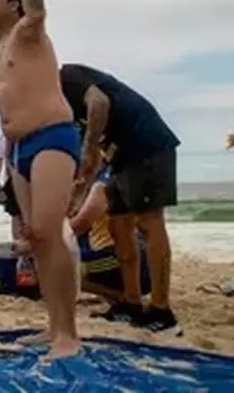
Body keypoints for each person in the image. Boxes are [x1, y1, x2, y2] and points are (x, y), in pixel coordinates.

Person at [0, 0, 80, 359]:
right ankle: (52, 325)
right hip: (19, 149)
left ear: (14, 5)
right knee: (36, 240)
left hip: (52, 136)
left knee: (47, 230)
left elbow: (38, 9)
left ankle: (69, 334)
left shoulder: (28, 31)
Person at [59, 63, 181, 332]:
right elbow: (88, 163)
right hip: (119, 156)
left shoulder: (67, 77)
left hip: (145, 142)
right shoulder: (60, 111)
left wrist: (90, 147)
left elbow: (99, 103)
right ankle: (132, 301)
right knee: (119, 225)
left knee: (149, 222)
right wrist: (76, 198)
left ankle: (162, 309)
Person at [69, 167, 152, 303]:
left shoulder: (102, 183)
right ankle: (119, 295)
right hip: (137, 255)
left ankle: (119, 296)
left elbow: (80, 225)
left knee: (59, 265)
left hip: (122, 257)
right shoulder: (91, 181)